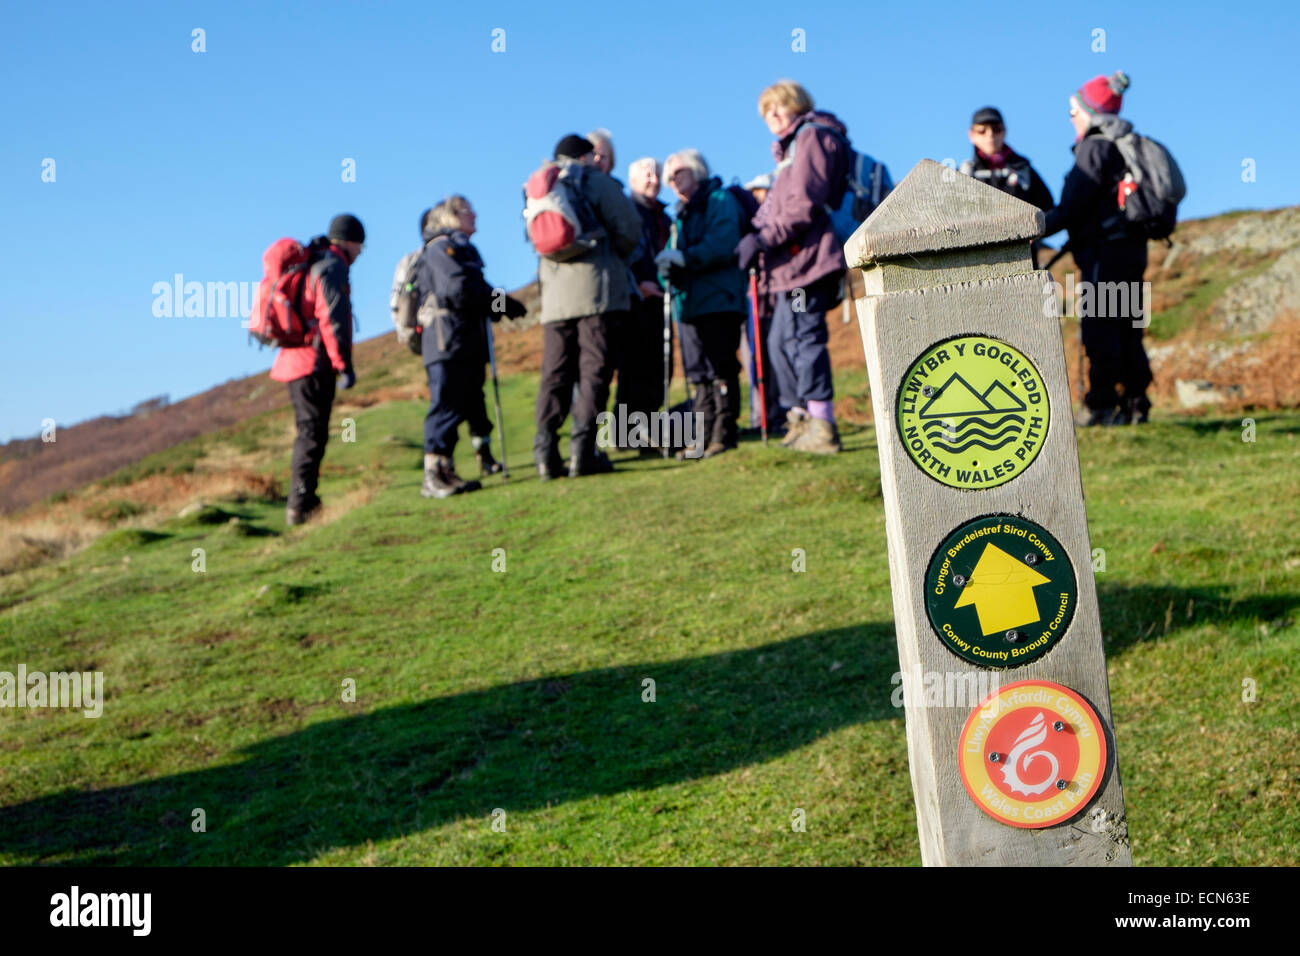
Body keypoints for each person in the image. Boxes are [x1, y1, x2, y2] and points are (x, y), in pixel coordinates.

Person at [737, 80, 848, 454]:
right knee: (779, 342)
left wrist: (764, 240)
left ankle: (822, 424)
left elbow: (803, 205)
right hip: (789, 268)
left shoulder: (812, 138)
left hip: (808, 264)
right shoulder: (789, 151)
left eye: (779, 106)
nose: (773, 115)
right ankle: (800, 419)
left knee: (802, 339)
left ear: (798, 104)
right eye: (767, 111)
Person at [1043, 71, 1153, 426]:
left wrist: (1035, 228)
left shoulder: (1094, 147)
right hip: (1132, 250)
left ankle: (1101, 407)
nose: (1072, 118)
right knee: (1128, 328)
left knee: (1101, 327)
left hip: (1104, 256)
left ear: (1090, 111)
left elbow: (1072, 204)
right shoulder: (1122, 145)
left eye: (1073, 110)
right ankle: (1136, 406)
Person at [534, 134, 642, 478]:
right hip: (597, 290)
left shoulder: (540, 186)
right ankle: (583, 452)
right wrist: (613, 257)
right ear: (585, 156)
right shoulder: (593, 180)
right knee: (594, 370)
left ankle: (545, 454)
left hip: (554, 297)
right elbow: (628, 228)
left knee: (555, 373)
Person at [413, 196, 526, 497]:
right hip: (446, 339)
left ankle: (445, 471)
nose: (474, 214)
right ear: (452, 216)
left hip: (462, 339)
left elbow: (475, 288)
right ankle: (433, 475)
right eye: (467, 210)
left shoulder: (461, 249)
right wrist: (495, 301)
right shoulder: (441, 249)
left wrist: (503, 303)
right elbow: (457, 290)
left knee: (460, 402)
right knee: (446, 403)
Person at [270, 213, 363, 526]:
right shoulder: (331, 266)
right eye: (360, 244)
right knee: (312, 434)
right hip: (313, 362)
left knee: (308, 433)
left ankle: (304, 499)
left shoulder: (312, 262)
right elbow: (332, 318)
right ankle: (300, 505)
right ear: (349, 241)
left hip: (292, 361)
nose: (361, 252)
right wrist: (343, 365)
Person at [654, 149, 746, 458]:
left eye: (678, 172)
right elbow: (671, 250)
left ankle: (724, 432)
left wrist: (685, 258)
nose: (672, 180)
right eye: (669, 176)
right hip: (689, 303)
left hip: (719, 299)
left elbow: (724, 241)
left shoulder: (720, 200)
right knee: (698, 373)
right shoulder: (681, 214)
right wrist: (666, 268)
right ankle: (704, 436)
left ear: (697, 171)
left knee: (721, 366)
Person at [618, 156, 672, 452]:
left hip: (661, 300)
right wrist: (639, 283)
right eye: (647, 174)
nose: (654, 179)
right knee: (636, 367)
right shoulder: (629, 210)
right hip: (636, 298)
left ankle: (649, 432)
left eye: (657, 174)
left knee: (659, 366)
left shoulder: (662, 216)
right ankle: (627, 436)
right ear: (634, 180)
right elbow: (624, 249)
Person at [742, 172, 781, 434]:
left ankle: (777, 414)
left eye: (763, 191)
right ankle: (760, 416)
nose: (759, 196)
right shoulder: (751, 224)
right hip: (753, 295)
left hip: (774, 293)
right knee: (753, 356)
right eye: (755, 192)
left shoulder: (773, 221)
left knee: (776, 351)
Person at [959, 107, 1054, 211]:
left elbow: (1048, 211)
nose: (990, 135)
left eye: (996, 129)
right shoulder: (963, 174)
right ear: (971, 135)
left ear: (1004, 132)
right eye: (982, 131)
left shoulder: (1023, 171)